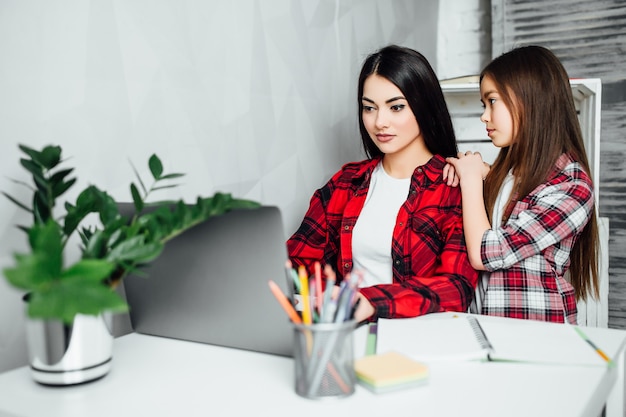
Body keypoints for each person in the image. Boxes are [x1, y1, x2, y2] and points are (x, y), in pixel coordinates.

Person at [287, 45, 478, 323]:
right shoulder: (345, 183)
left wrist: (369, 301)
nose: (379, 122)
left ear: (423, 106)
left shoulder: (454, 186)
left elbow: (456, 288)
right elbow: (298, 263)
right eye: (369, 108)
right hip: (347, 336)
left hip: (424, 342)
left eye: (396, 107)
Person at [445, 45, 600, 324]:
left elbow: (487, 253)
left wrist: (470, 181)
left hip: (534, 337)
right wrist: (483, 175)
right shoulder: (511, 172)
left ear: (530, 100)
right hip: (487, 328)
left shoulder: (572, 186)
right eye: (484, 104)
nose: (484, 116)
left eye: (492, 101)